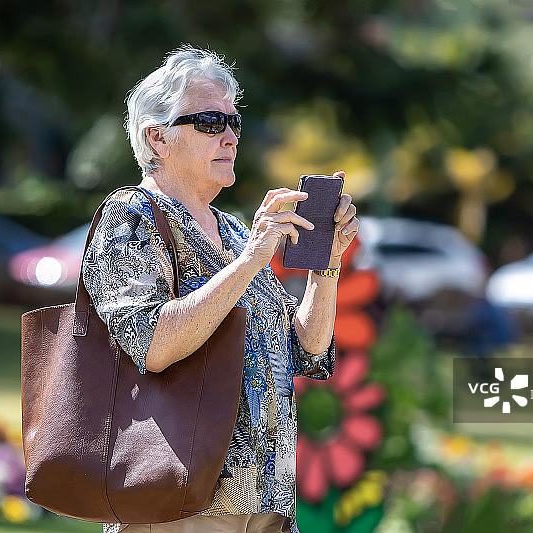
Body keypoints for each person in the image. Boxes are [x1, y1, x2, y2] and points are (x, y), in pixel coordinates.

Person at [82, 46, 359, 533]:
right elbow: (152, 344)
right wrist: (252, 260)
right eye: (210, 122)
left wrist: (326, 265)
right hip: (183, 499)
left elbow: (303, 351)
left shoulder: (232, 230)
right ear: (158, 138)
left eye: (234, 122)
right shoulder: (132, 216)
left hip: (264, 499)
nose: (231, 136)